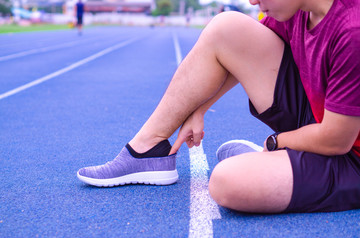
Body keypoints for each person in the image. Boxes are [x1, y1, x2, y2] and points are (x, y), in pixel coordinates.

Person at [77, 0, 360, 213]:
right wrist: (199, 109)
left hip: (349, 156)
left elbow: (336, 139)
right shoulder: (298, 9)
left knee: (226, 183)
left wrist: (275, 143)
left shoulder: (352, 29)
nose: (252, 1)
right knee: (227, 27)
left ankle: (267, 161)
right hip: (318, 120)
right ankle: (145, 150)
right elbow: (240, 53)